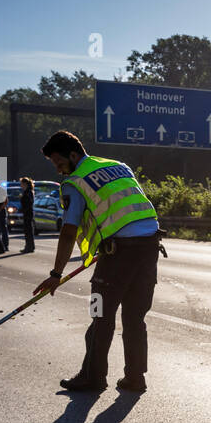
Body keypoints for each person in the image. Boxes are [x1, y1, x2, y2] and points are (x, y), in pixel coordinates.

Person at [32, 131, 163, 394]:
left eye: (59, 163)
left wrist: (56, 274)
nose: (59, 170)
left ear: (73, 154)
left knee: (99, 315)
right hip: (150, 248)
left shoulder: (75, 182)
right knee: (135, 318)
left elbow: (69, 231)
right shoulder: (118, 166)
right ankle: (136, 378)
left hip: (117, 255)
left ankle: (92, 377)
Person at [18, 176, 36, 252]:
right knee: (28, 230)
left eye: (21, 183)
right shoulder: (27, 191)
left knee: (28, 231)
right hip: (27, 213)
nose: (20, 185)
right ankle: (29, 246)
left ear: (25, 183)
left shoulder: (28, 192)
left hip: (28, 213)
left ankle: (29, 247)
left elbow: (28, 203)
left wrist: (24, 209)